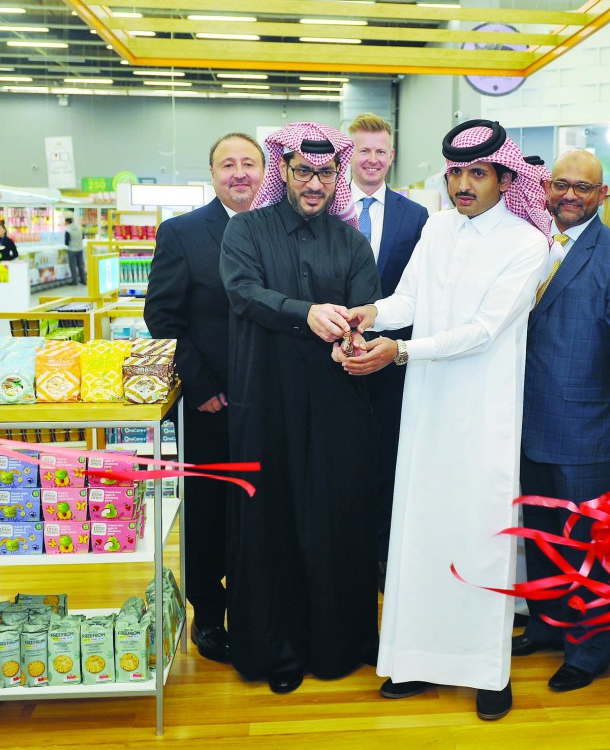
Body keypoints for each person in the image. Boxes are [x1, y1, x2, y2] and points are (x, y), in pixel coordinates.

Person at [338, 119, 550, 721]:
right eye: (456, 172)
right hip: (427, 408)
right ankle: (413, 661)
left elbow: (484, 332)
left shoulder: (526, 243)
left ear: (505, 178)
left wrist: (401, 351)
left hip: (481, 415)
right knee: (420, 535)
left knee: (479, 541)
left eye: (477, 173)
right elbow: (411, 301)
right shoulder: (437, 228)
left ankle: (487, 673)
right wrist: (369, 314)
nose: (463, 184)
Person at [218, 122, 381, 694]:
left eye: (325, 173)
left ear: (338, 176)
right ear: (283, 172)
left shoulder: (351, 240)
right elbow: (244, 293)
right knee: (273, 522)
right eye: (303, 171)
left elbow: (367, 301)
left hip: (339, 404)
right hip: (269, 404)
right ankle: (277, 650)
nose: (315, 183)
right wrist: (304, 312)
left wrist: (356, 327)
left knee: (337, 520)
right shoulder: (246, 233)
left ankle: (341, 643)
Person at [511, 149, 610, 692]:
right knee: (544, 538)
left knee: (591, 549)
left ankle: (589, 650)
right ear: (546, 188)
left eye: (584, 189)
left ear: (602, 196)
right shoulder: (530, 245)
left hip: (587, 430)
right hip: (527, 424)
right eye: (562, 185)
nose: (570, 196)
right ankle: (549, 626)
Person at [144, 131, 265, 664]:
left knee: (261, 509)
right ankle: (209, 616)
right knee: (210, 512)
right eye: (227, 164)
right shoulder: (183, 233)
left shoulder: (281, 229)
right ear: (212, 173)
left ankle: (257, 608)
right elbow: (163, 318)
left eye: (250, 164)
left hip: (271, 400)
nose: (239, 173)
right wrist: (201, 386)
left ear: (267, 172)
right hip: (213, 403)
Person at [346, 113, 430, 590]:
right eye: (364, 150)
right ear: (349, 155)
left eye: (381, 151)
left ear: (391, 156)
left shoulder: (415, 216)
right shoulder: (329, 209)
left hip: (393, 362)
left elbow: (416, 292)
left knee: (388, 460)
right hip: (334, 357)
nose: (373, 159)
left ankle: (382, 556)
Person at [64, 216, 86, 285]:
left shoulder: (68, 230)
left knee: (73, 266)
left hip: (72, 249)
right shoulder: (79, 228)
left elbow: (66, 242)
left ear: (67, 222)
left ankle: (75, 281)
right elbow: (82, 237)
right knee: (81, 265)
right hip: (80, 248)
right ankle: (83, 280)